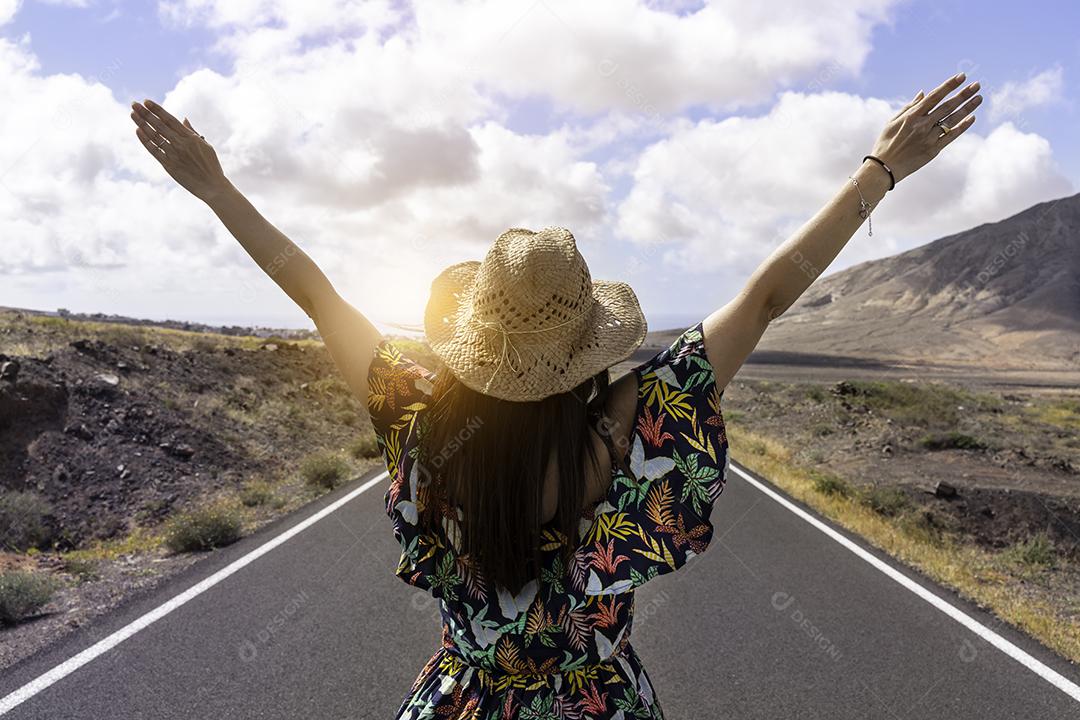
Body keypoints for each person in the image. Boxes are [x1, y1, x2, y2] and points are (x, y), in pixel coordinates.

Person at [129, 70, 980, 718]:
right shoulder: (634, 423)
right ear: (583, 346)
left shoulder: (426, 416)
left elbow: (315, 293)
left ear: (478, 333)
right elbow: (764, 298)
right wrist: (880, 169)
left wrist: (216, 189)